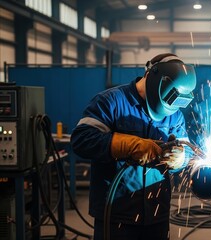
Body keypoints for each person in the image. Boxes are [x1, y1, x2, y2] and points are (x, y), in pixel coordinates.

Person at [71, 53, 197, 240]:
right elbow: (82, 140)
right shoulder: (111, 101)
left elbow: (186, 151)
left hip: (157, 214)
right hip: (115, 215)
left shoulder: (175, 115)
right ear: (150, 77)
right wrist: (129, 145)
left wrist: (180, 158)